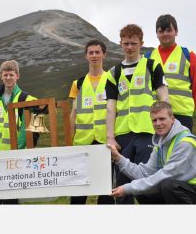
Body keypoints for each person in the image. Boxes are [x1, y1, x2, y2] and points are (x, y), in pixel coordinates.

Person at [106, 24, 169, 204]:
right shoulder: (113, 73)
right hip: (123, 135)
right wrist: (110, 138)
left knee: (146, 183)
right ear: (121, 44)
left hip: (147, 132)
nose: (130, 47)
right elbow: (111, 107)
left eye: (134, 43)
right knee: (123, 185)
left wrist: (165, 128)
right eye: (126, 43)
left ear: (141, 43)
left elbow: (163, 97)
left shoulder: (152, 66)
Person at [109, 101, 196, 204]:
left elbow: (167, 175)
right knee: (143, 189)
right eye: (154, 120)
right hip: (180, 190)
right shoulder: (160, 144)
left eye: (162, 119)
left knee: (167, 185)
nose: (158, 123)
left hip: (191, 192)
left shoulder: (184, 143)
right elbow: (145, 174)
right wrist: (118, 158)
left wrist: (128, 188)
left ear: (172, 119)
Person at [0, 60, 36, 204]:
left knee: (10, 200)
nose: (8, 78)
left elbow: (41, 113)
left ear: (17, 76)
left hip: (14, 160)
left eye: (11, 75)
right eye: (5, 75)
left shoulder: (25, 98)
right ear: (1, 76)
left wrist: (18, 151)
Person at [69, 39, 114, 205]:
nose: (94, 55)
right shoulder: (78, 84)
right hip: (83, 142)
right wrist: (71, 139)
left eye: (97, 52)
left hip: (105, 142)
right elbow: (73, 113)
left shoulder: (112, 79)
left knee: (106, 188)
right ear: (86, 56)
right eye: (91, 52)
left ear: (104, 54)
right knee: (79, 189)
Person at [144, 14, 196, 131]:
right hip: (156, 116)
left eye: (169, 30)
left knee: (181, 148)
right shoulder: (147, 57)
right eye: (161, 31)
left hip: (182, 115)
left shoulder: (189, 56)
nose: (165, 34)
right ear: (157, 34)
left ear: (176, 32)